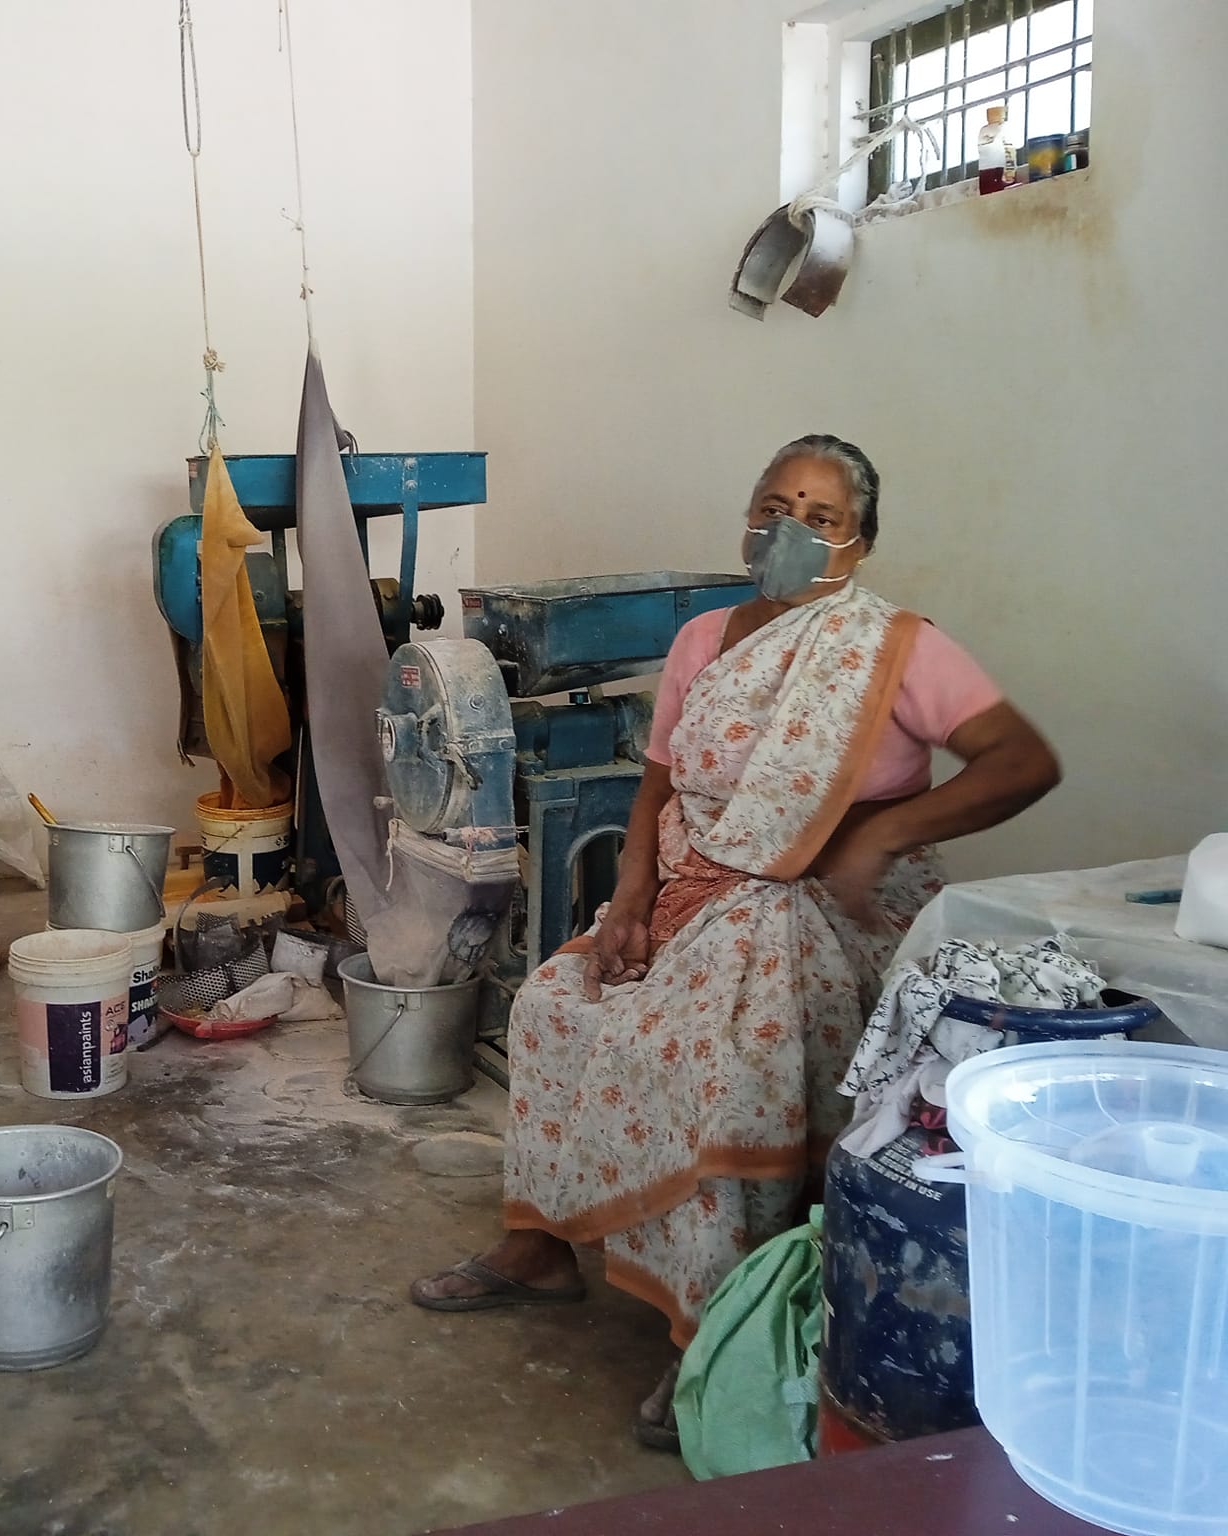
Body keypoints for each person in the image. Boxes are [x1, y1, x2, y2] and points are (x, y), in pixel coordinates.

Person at [408, 435, 1060, 1448]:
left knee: (722, 1059)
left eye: (821, 517)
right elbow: (658, 784)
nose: (789, 530)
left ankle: (708, 1326)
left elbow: (1022, 761)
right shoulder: (703, 639)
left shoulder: (892, 646)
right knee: (550, 1004)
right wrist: (629, 896)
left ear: (859, 543)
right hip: (694, 886)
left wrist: (885, 832)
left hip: (820, 907)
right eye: (773, 507)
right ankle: (538, 1249)